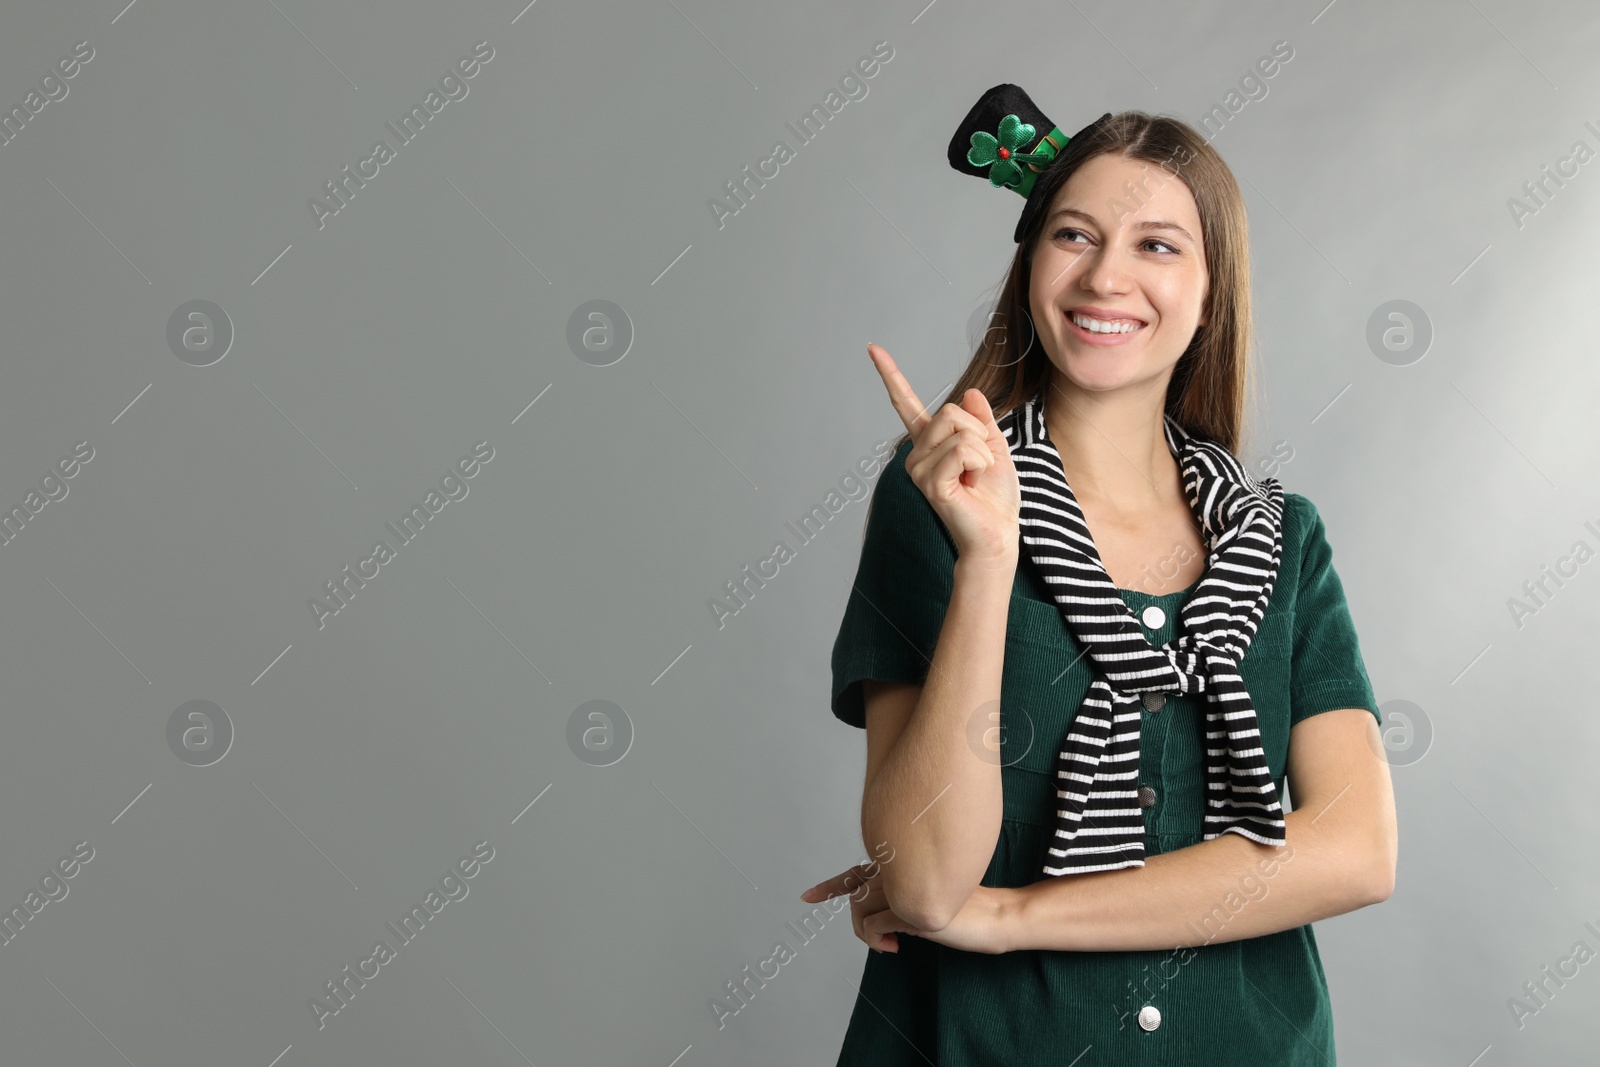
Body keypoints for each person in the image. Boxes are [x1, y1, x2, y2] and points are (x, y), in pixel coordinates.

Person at [800, 90, 1399, 1065]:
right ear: (1031, 260)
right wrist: (992, 556)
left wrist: (1011, 913)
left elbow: (1354, 847)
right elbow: (920, 879)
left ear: (1213, 290)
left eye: (1157, 245)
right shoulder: (936, 500)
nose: (1106, 276)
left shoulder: (1282, 541)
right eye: (1073, 234)